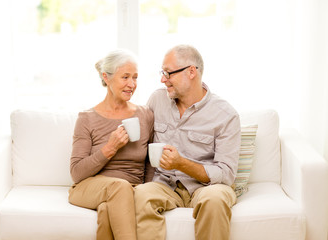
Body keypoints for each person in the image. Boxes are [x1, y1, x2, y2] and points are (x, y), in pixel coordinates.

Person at [134, 45, 241, 240]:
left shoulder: (225, 115)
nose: (162, 79)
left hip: (206, 188)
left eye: (168, 73)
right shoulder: (157, 100)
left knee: (215, 200)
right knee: (139, 195)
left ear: (192, 71)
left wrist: (181, 163)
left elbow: (226, 175)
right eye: (162, 72)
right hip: (166, 184)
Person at [68, 49, 154, 240]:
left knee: (108, 210)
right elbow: (76, 173)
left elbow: (150, 163)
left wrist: (146, 190)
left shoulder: (145, 114)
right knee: (119, 187)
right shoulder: (87, 119)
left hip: (128, 189)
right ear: (106, 78)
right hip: (89, 187)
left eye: (135, 77)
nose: (132, 84)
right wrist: (110, 148)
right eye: (125, 77)